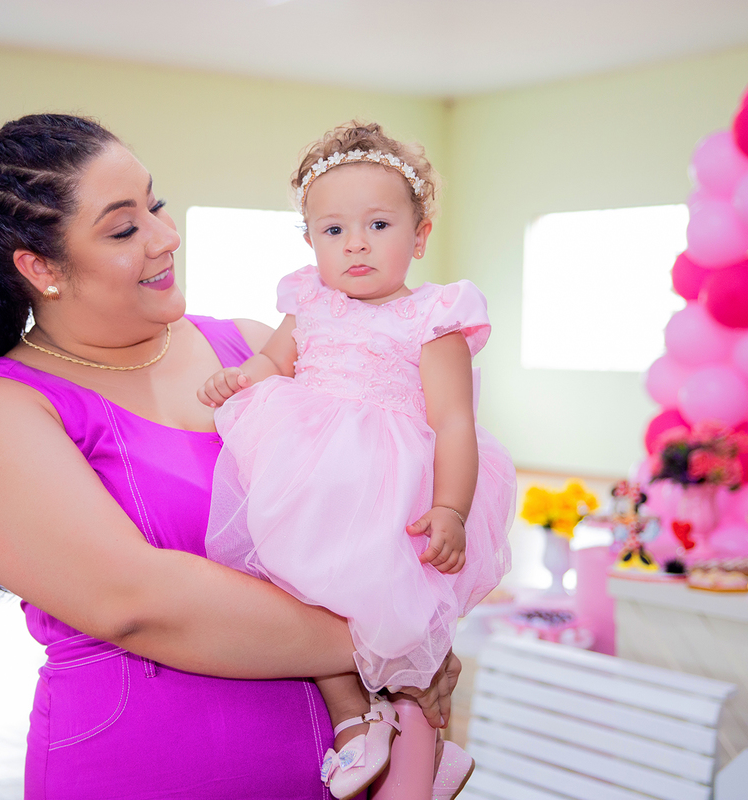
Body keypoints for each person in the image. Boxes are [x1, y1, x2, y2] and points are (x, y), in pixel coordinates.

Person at [0, 114, 461, 800]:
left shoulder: (252, 350)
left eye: (155, 203)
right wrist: (397, 642)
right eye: (125, 227)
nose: (166, 235)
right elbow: (137, 601)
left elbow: (391, 500)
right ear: (40, 267)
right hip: (148, 772)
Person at [199, 122, 516, 800]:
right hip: (315, 478)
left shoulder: (434, 318)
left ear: (420, 234)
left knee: (396, 623)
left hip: (395, 490)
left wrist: (453, 508)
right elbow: (274, 362)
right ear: (310, 241)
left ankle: (425, 755)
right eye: (334, 231)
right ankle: (355, 722)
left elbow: (455, 422)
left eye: (378, 223)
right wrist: (242, 378)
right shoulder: (309, 302)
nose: (357, 244)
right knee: (302, 596)